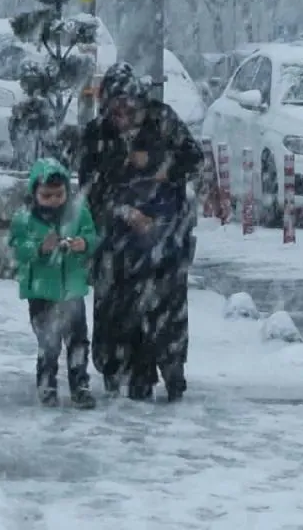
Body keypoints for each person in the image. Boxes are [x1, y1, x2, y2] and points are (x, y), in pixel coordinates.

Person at [78, 62, 204, 402]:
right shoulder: (96, 135)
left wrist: (160, 167)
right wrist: (123, 211)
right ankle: (123, 371)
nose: (123, 115)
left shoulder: (162, 121)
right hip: (118, 237)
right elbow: (89, 190)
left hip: (165, 233)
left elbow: (194, 159)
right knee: (118, 307)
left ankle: (171, 369)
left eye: (129, 106)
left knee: (165, 306)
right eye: (115, 108)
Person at [6, 158, 99, 409]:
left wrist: (84, 243)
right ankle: (47, 385)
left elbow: (92, 235)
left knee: (78, 339)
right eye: (47, 196)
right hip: (41, 292)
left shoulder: (78, 213)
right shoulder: (25, 219)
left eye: (59, 195)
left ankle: (80, 385)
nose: (54, 201)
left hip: (72, 290)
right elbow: (16, 247)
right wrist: (39, 248)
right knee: (48, 341)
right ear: (34, 193)